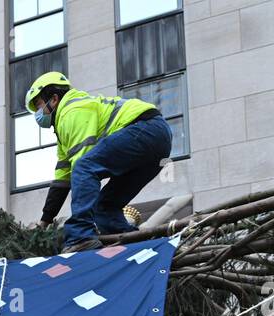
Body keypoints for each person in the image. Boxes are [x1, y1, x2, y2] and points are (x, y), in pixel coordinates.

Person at [27, 71, 173, 253]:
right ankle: (137, 247)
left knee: (83, 167)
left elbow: (83, 167)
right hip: (156, 143)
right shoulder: (63, 129)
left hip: (146, 128)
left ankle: (80, 237)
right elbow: (62, 180)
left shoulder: (72, 110)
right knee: (103, 207)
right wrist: (45, 220)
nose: (38, 114)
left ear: (54, 99)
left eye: (39, 106)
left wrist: (80, 226)